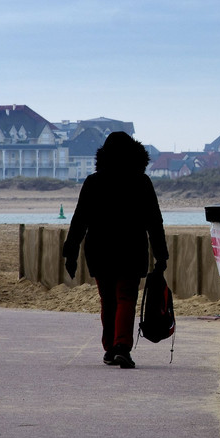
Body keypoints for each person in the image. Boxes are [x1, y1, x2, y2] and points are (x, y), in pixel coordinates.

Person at [62, 132, 168, 369]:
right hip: (131, 249)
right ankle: (121, 346)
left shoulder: (93, 182)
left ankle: (110, 347)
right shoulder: (142, 182)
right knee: (126, 297)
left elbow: (79, 220)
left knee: (107, 300)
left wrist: (70, 252)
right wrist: (162, 255)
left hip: (99, 250)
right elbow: (154, 221)